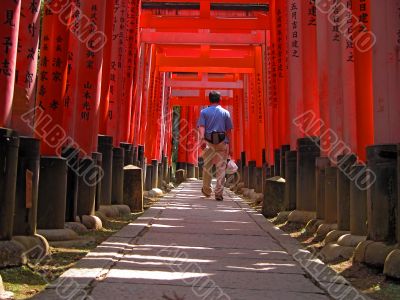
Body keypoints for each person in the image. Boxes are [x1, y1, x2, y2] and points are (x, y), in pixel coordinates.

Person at [197, 91, 233, 201]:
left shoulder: (204, 112)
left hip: (208, 141)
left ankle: (207, 190)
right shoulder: (226, 113)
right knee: (221, 167)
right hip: (222, 141)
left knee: (207, 166)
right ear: (219, 99)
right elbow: (229, 131)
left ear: (209, 100)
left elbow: (201, 126)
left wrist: (202, 138)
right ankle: (218, 192)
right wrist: (229, 145)